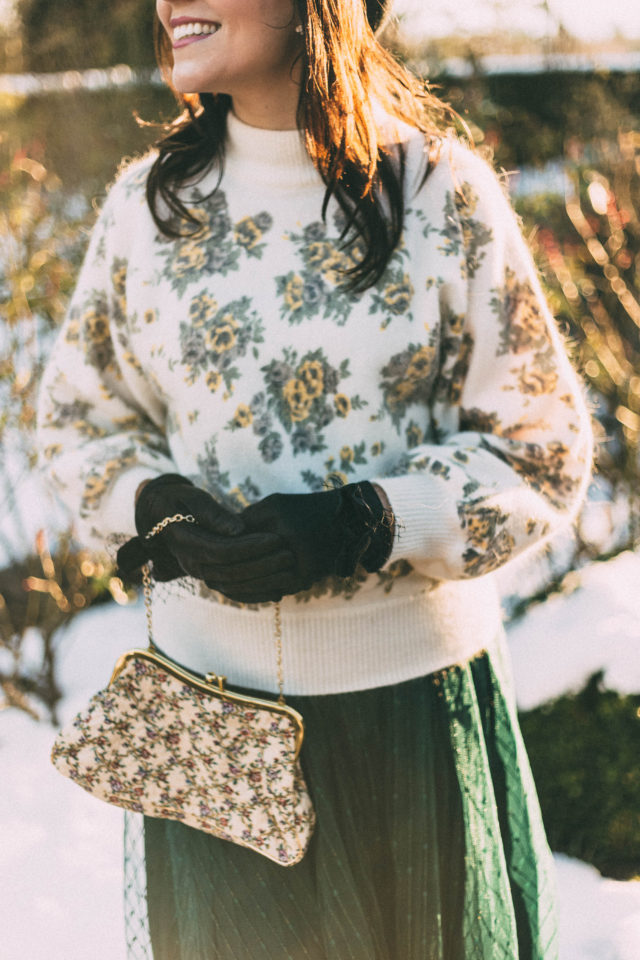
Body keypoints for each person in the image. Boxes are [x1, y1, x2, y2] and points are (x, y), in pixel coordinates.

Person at [37, 0, 593, 957]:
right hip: (209, 736)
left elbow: (542, 444)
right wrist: (151, 500)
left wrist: (370, 521)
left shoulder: (436, 193)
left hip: (409, 725)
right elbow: (77, 426)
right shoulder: (148, 207)